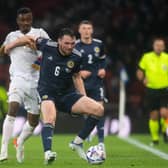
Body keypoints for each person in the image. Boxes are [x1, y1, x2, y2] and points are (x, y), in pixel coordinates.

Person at [4, 28, 104, 164]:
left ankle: (77, 143)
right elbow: (28, 39)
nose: (70, 47)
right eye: (67, 43)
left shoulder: (77, 56)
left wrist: (83, 97)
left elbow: (77, 77)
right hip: (47, 92)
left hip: (67, 95)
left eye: (72, 43)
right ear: (59, 42)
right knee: (50, 118)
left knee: (98, 109)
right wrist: (10, 45)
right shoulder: (47, 45)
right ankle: (48, 153)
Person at [0, 7, 50, 163]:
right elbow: (2, 51)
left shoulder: (40, 33)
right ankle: (3, 150)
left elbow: (51, 53)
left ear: (32, 19)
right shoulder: (12, 36)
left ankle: (20, 141)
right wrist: (18, 42)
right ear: (17, 21)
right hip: (17, 79)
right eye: (22, 20)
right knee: (12, 108)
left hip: (35, 82)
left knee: (34, 121)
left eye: (28, 20)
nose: (25, 23)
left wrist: (37, 50)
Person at [75, 20, 106, 156]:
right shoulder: (75, 45)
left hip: (96, 83)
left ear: (92, 30)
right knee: (86, 112)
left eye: (89, 28)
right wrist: (79, 72)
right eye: (84, 28)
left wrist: (103, 69)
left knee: (100, 109)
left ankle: (101, 142)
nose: (87, 31)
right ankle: (86, 133)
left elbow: (103, 59)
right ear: (79, 30)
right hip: (81, 84)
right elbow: (70, 63)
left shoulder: (98, 44)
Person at [136, 38, 168, 145]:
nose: (159, 47)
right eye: (157, 45)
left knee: (164, 113)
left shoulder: (167, 58)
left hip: (165, 89)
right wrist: (142, 79)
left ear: (164, 47)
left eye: (161, 45)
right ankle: (155, 139)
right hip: (151, 90)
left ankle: (165, 131)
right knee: (154, 115)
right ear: (153, 46)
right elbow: (140, 71)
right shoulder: (147, 57)